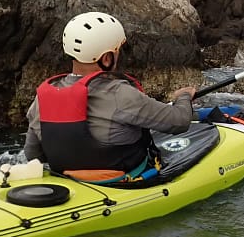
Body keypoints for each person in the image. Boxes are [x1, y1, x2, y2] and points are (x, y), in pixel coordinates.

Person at [24, 11, 197, 182]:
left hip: (67, 181)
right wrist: (183, 97)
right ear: (106, 58)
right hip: (123, 182)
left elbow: (33, 156)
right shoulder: (120, 94)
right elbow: (180, 121)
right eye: (117, 51)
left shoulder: (42, 99)